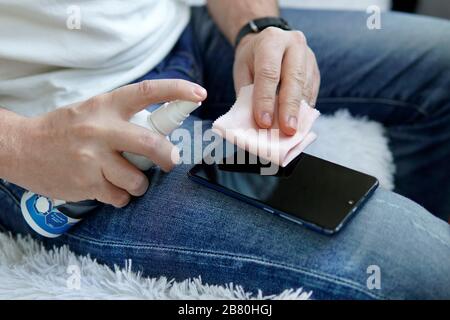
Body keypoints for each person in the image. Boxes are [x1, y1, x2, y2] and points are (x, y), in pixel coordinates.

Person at [0, 0, 449, 299]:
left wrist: (257, 26)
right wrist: (21, 145)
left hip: (179, 35)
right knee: (423, 266)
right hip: (51, 122)